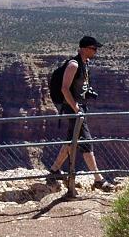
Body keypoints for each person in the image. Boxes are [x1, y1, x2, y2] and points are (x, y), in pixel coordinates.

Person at [47, 35, 114, 191]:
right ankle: (98, 179)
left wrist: (86, 94)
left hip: (78, 106)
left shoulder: (85, 63)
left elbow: (78, 87)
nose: (96, 51)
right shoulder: (74, 65)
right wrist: (76, 108)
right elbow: (64, 88)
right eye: (93, 48)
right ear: (84, 48)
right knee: (87, 142)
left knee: (71, 140)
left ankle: (54, 170)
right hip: (72, 108)